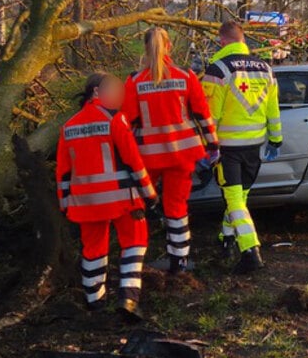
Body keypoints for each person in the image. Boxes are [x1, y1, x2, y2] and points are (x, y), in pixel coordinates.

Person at [56, 73, 157, 318]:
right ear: (97, 92)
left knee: (93, 249)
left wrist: (66, 205)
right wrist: (149, 193)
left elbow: (63, 172)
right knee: (135, 241)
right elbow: (133, 160)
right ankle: (128, 298)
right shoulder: (115, 119)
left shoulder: (69, 127)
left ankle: (95, 302)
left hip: (85, 202)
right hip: (122, 198)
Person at [123, 27, 219, 273]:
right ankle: (179, 262)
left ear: (146, 48)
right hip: (182, 154)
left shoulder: (135, 81)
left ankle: (134, 262)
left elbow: (127, 122)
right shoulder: (186, 76)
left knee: (139, 206)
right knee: (177, 207)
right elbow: (202, 114)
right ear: (169, 47)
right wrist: (213, 144)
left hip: (148, 156)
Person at [201, 20, 282, 274]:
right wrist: (276, 139)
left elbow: (210, 116)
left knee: (234, 199)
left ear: (222, 41)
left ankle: (250, 251)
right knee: (239, 197)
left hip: (228, 148)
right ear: (243, 40)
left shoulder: (217, 70)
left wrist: (208, 145)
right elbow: (273, 109)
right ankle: (226, 238)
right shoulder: (266, 68)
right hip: (254, 145)